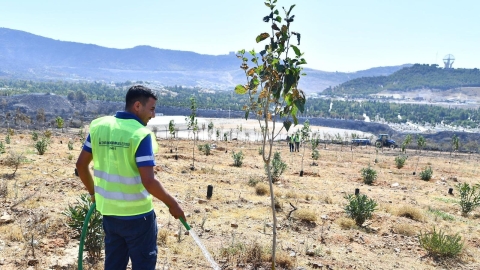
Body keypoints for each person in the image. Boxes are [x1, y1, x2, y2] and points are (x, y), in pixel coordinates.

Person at [76, 85, 185, 270]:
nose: (153, 115)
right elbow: (149, 181)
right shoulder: (140, 134)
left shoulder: (99, 126)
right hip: (138, 218)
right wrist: (172, 204)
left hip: (110, 215)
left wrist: (94, 193)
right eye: (151, 109)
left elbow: (81, 165)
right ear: (137, 106)